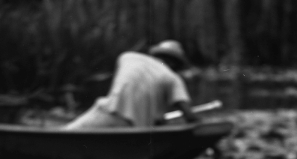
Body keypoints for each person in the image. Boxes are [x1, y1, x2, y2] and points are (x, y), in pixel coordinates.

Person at [65, 40, 198, 129]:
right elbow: (189, 115)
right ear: (174, 64)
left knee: (64, 135)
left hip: (105, 113)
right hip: (133, 129)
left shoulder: (127, 57)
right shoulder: (172, 78)